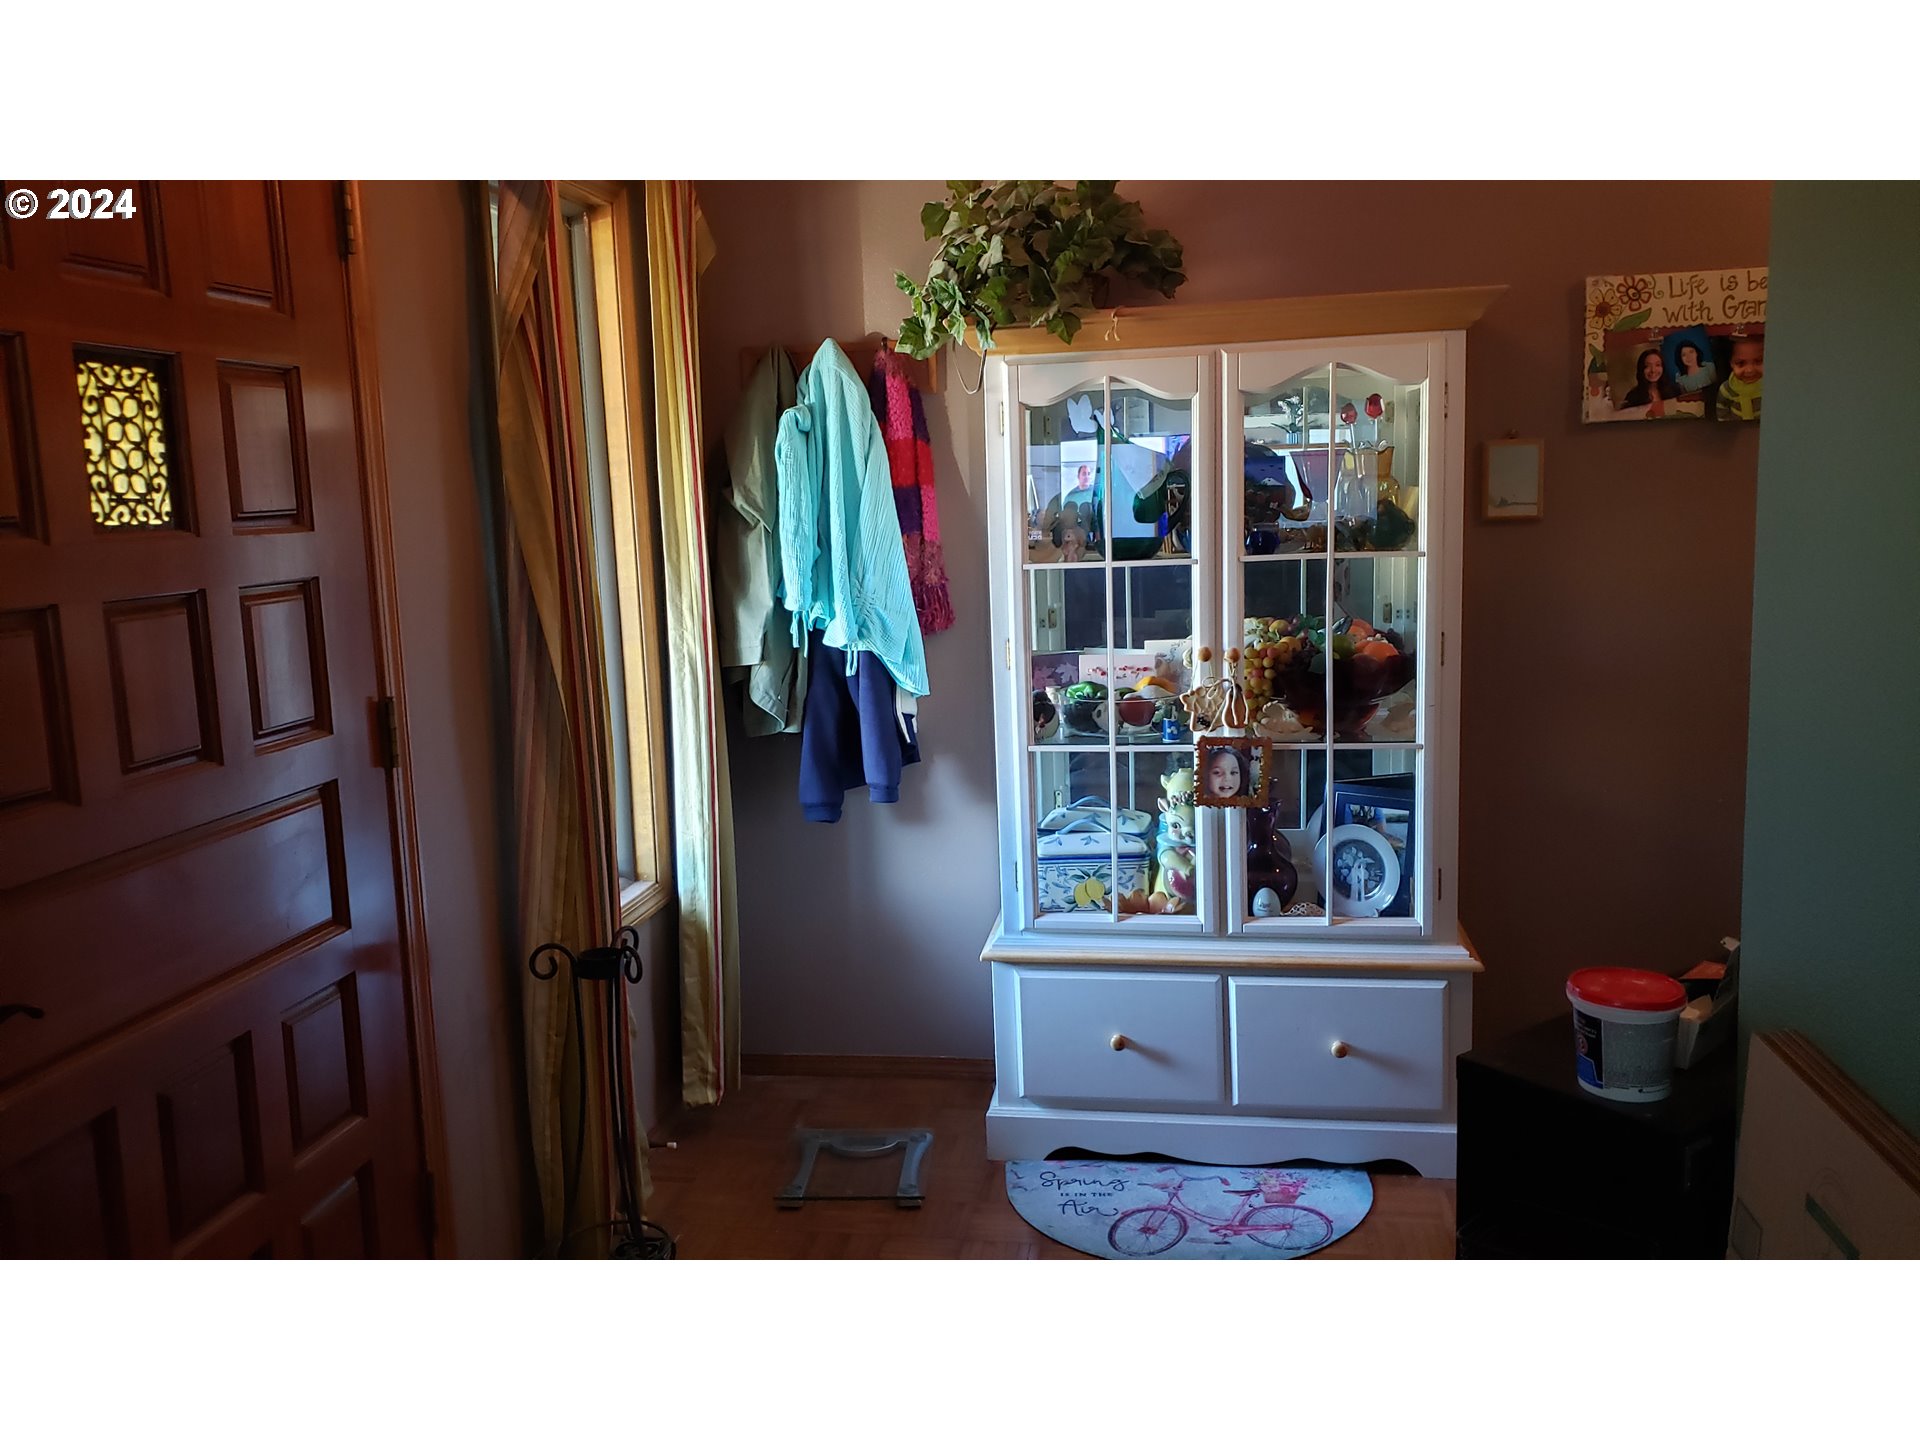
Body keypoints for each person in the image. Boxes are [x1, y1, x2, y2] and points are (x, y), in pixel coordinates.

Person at [1716, 334, 1764, 421]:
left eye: (1758, 361)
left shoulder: (1771, 386)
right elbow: (1722, 410)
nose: (1749, 370)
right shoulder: (1727, 388)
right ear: (1731, 363)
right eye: (1741, 363)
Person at [1621, 347, 1681, 411]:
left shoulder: (1675, 390)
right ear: (1641, 369)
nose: (1653, 370)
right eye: (1647, 366)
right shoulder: (1633, 396)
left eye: (1657, 365)